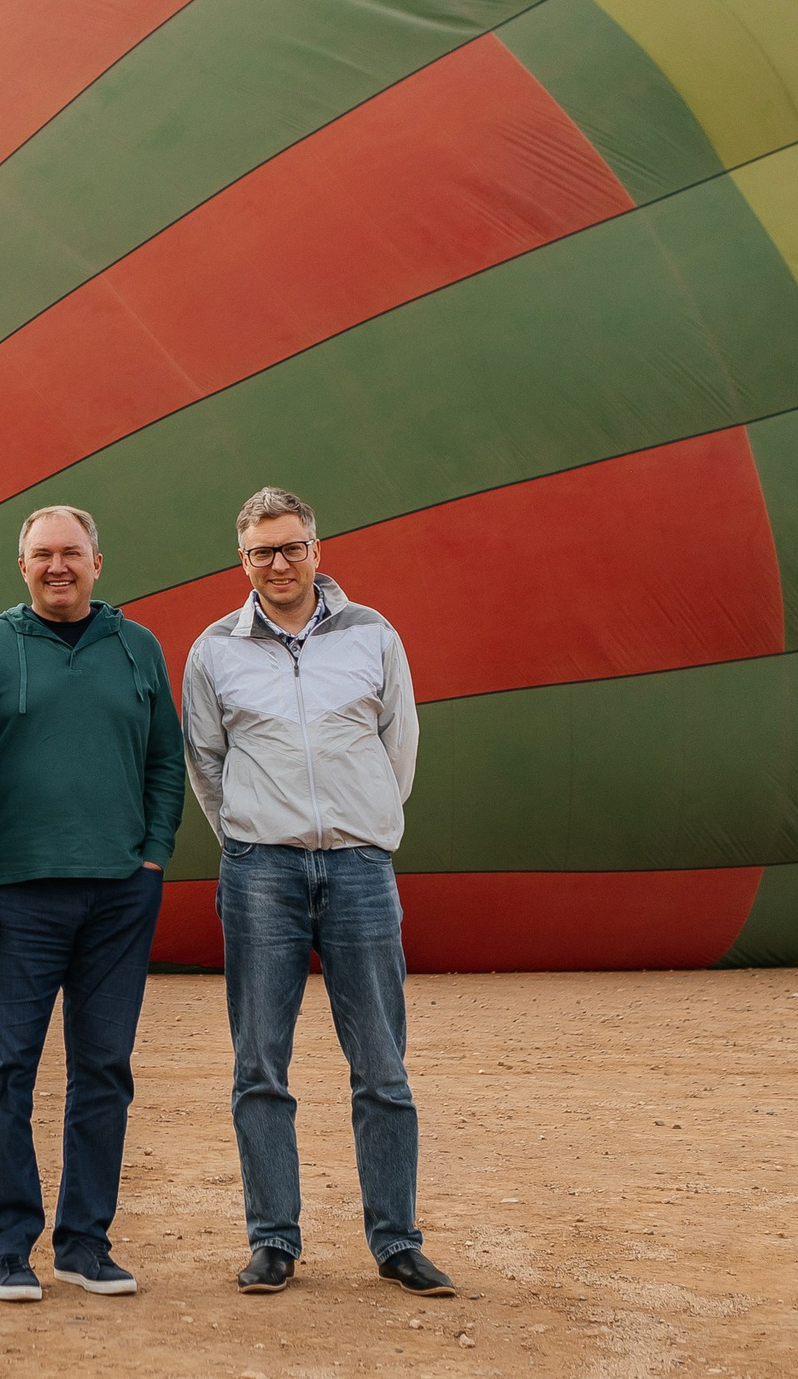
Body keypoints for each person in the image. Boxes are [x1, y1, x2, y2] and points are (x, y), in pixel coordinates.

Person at [179, 486, 455, 1299]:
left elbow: (398, 744)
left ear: (317, 549)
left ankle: (397, 1241)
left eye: (292, 546)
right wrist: (249, 833)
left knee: (381, 1063)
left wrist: (365, 825)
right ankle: (273, 1239)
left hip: (360, 868)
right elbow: (206, 761)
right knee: (260, 1061)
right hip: (260, 870)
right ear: (243, 560)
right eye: (263, 550)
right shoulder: (215, 649)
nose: (279, 562)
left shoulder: (373, 634)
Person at [0, 505, 184, 1303]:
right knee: (5, 1070)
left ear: (96, 562)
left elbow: (166, 760)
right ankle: (7, 1244)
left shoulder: (137, 646)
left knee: (104, 1068)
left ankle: (85, 1244)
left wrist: (152, 855)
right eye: (42, 553)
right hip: (16, 897)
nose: (57, 566)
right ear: (22, 565)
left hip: (119, 895)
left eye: (71, 552)